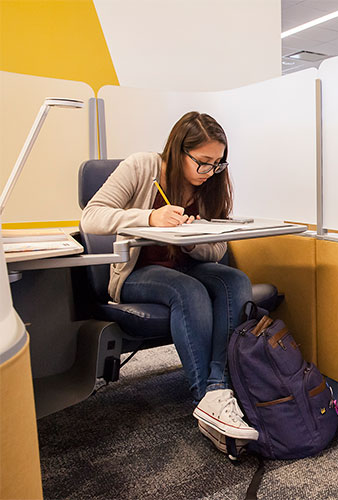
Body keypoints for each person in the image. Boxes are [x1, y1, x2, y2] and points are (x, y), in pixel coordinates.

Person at [81, 111, 258, 441]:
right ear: (179, 150)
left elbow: (216, 250)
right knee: (188, 290)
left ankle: (219, 390)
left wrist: (192, 241)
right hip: (137, 274)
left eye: (217, 163)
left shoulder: (211, 185)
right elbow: (92, 216)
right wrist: (150, 217)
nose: (209, 171)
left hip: (186, 266)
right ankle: (203, 397)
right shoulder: (142, 167)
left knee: (236, 281)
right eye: (203, 162)